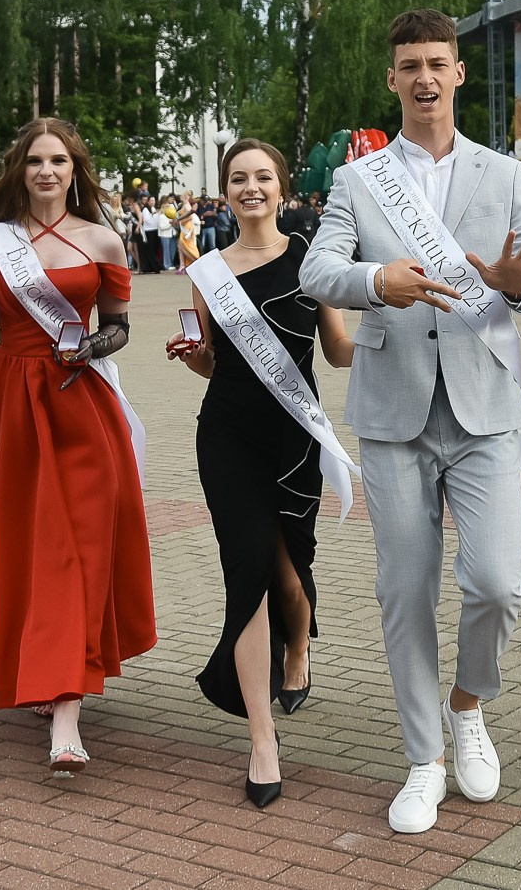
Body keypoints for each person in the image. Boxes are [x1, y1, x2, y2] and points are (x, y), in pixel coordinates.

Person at [300, 8, 521, 836]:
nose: (424, 77)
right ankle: (424, 758)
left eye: (436, 63)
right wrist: (376, 281)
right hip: (394, 408)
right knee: (403, 589)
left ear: (458, 73)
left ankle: (467, 703)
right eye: (409, 64)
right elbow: (317, 269)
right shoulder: (359, 179)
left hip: (485, 408)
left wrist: (519, 284)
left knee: (497, 581)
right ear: (393, 78)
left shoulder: (504, 173)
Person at [0, 118, 154, 778]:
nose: (47, 171)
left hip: (83, 408)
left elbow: (119, 326)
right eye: (36, 160)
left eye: (59, 161)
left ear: (75, 169)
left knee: (80, 548)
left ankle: (67, 713)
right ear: (21, 168)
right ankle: (50, 670)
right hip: (11, 405)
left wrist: (91, 346)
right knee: (35, 547)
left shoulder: (104, 239)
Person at [169, 139, 355, 808]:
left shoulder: (311, 257)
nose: (251, 187)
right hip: (227, 435)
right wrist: (191, 354)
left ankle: (297, 648)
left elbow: (337, 350)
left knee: (290, 574)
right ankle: (261, 738)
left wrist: (392, 333)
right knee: (249, 571)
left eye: (263, 177)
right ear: (225, 191)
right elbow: (212, 362)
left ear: (282, 188)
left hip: (295, 435)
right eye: (239, 178)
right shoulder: (207, 270)